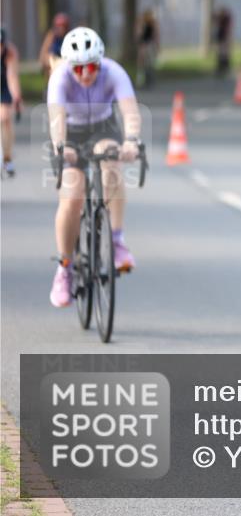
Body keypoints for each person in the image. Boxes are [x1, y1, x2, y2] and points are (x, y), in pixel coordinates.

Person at [47, 27, 142, 308]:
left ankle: (117, 239)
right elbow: (56, 120)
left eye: (91, 66)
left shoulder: (114, 72)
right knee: (73, 195)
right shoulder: (59, 78)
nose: (86, 74)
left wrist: (132, 140)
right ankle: (64, 268)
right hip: (71, 131)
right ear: (69, 66)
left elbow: (130, 112)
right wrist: (62, 148)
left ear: (100, 62)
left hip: (103, 127)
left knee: (110, 162)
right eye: (78, 68)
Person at [1, 28, 23, 178]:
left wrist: (16, 97)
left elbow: (12, 76)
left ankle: (7, 158)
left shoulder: (10, 53)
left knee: (5, 118)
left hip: (4, 87)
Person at [38, 12, 70, 80]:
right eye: (59, 27)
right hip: (55, 66)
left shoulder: (70, 37)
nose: (61, 29)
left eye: (63, 26)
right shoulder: (51, 36)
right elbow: (43, 55)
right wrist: (52, 61)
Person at [135, 9, 159, 89]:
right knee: (141, 63)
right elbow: (139, 35)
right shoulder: (142, 24)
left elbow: (155, 35)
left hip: (149, 44)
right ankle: (141, 80)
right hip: (143, 45)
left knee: (150, 63)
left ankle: (149, 79)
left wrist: (156, 45)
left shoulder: (152, 24)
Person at [214, 7, 233, 78]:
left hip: (224, 37)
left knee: (224, 52)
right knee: (221, 52)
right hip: (221, 37)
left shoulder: (226, 19)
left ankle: (225, 66)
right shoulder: (220, 19)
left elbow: (228, 28)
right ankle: (221, 66)